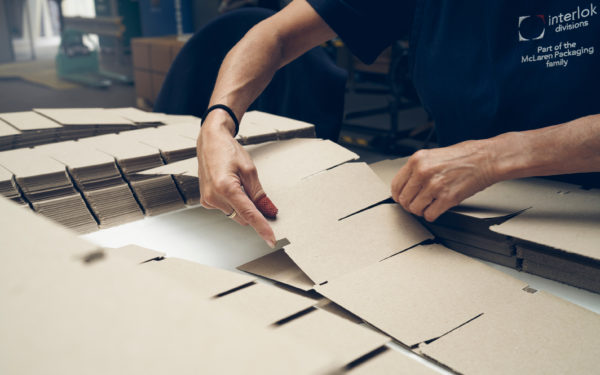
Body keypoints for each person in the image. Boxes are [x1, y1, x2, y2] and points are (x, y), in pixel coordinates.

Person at [196, 0, 600, 247]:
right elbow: (275, 35)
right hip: (467, 211)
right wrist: (218, 123)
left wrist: (494, 157)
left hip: (584, 213)